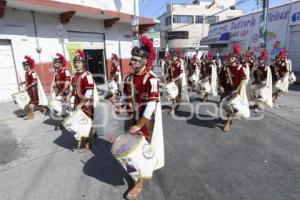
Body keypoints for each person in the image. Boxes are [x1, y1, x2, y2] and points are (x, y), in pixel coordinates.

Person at [115, 35, 164, 200]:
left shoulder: (151, 80)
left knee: (140, 154)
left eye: (136, 60)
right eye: (132, 59)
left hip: (145, 122)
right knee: (130, 150)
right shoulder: (128, 77)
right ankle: (136, 176)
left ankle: (139, 183)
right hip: (130, 119)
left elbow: (151, 105)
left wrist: (140, 124)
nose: (132, 63)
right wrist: (121, 104)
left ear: (144, 60)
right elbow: (125, 96)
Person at [67, 49, 96, 152]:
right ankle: (87, 138)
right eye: (75, 62)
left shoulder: (87, 75)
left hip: (86, 103)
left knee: (85, 124)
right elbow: (72, 88)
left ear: (83, 63)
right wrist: (69, 96)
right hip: (78, 102)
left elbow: (89, 92)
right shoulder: (74, 75)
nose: (77, 64)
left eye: (79, 62)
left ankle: (87, 144)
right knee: (80, 123)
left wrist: (81, 103)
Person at [219, 44, 249, 132]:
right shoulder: (225, 68)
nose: (229, 59)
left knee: (231, 105)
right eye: (228, 58)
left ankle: (227, 122)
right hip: (226, 90)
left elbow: (243, 80)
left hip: (235, 91)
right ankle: (230, 115)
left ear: (235, 59)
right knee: (224, 105)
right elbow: (220, 78)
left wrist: (237, 89)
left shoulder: (240, 68)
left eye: (231, 58)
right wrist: (220, 86)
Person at [19, 56, 48, 120]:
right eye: (24, 66)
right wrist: (23, 83)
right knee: (36, 102)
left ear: (29, 66)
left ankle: (31, 115)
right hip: (29, 90)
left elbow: (35, 82)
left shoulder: (33, 72)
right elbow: (28, 81)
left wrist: (28, 86)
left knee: (31, 103)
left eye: (25, 66)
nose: (24, 67)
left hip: (34, 90)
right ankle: (44, 108)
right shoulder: (26, 73)